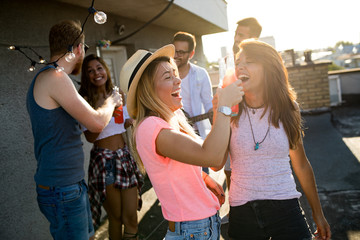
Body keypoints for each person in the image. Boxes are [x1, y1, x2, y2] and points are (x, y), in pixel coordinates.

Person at [119, 44, 244, 239]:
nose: (178, 80)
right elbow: (212, 157)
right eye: (168, 77)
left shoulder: (166, 122)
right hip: (193, 231)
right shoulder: (152, 126)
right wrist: (224, 108)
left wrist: (201, 178)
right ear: (148, 90)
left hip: (199, 227)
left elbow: (215, 161)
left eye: (175, 74)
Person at [213, 39, 331, 240]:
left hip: (286, 208)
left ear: (268, 67)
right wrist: (220, 110)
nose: (240, 66)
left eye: (249, 61)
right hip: (242, 212)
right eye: (238, 62)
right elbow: (216, 163)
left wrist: (318, 214)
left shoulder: (288, 108)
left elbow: (301, 165)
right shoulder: (228, 108)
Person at [26, 20, 122, 240]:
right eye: (84, 48)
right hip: (62, 189)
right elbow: (96, 123)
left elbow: (73, 127)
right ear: (78, 48)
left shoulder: (54, 78)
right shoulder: (55, 77)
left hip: (68, 186)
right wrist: (111, 101)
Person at [79, 54, 143, 240]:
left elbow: (120, 125)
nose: (96, 73)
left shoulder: (118, 94)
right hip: (104, 161)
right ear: (86, 76)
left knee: (131, 217)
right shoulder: (86, 101)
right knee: (116, 218)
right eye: (90, 71)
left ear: (105, 69)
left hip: (124, 157)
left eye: (99, 68)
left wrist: (129, 122)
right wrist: (106, 110)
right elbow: (91, 136)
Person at [221, 17, 263, 224]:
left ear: (254, 37)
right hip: (232, 116)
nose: (236, 38)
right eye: (236, 34)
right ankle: (234, 209)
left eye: (241, 35)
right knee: (230, 168)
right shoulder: (230, 58)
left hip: (256, 119)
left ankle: (260, 207)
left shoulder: (263, 60)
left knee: (255, 164)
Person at [172, 31, 214, 174]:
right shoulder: (165, 74)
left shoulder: (201, 74)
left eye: (181, 52)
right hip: (172, 137)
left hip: (196, 136)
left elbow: (209, 104)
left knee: (202, 177)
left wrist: (215, 116)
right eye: (174, 51)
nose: (176, 55)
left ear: (191, 54)